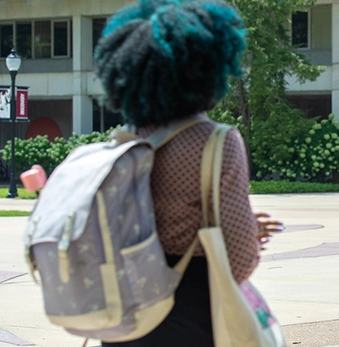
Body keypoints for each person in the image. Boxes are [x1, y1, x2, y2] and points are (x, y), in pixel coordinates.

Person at [95, 1, 280, 345]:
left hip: (126, 317)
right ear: (209, 67)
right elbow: (238, 262)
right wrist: (252, 233)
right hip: (190, 317)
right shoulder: (217, 142)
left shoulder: (125, 141)